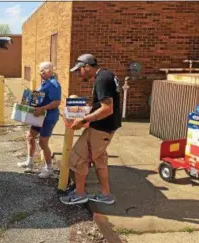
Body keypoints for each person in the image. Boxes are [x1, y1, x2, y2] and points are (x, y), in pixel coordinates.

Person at [60, 54, 121, 205]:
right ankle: (106, 194)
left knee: (76, 158)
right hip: (105, 127)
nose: (77, 75)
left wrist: (83, 120)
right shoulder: (106, 75)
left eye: (78, 71)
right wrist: (87, 109)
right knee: (100, 161)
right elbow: (101, 105)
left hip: (100, 129)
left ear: (87, 67)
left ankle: (80, 194)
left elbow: (107, 109)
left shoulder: (101, 80)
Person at [17, 62, 61, 178]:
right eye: (40, 70)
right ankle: (29, 162)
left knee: (43, 142)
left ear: (50, 71)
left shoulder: (54, 84)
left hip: (49, 117)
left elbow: (57, 102)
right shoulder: (45, 82)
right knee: (30, 136)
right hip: (38, 115)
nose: (40, 73)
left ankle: (49, 168)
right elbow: (39, 97)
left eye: (43, 71)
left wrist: (42, 108)